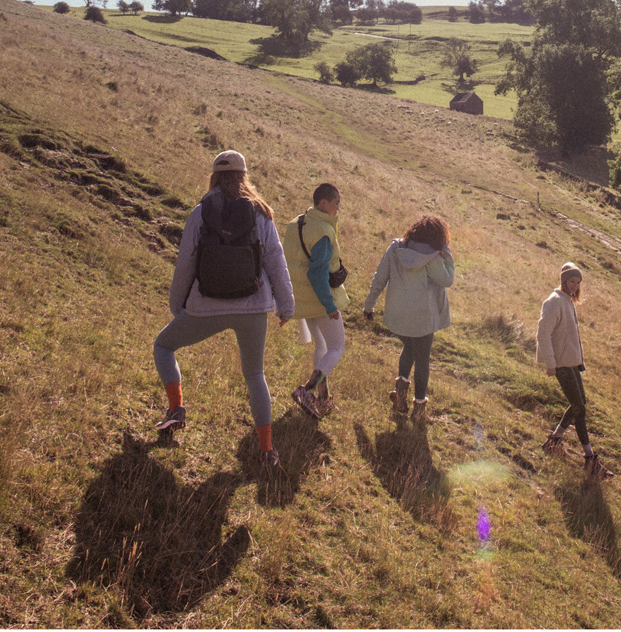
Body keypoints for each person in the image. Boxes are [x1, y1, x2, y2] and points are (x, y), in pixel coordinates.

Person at [152, 149, 295, 470]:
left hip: (206, 306)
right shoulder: (261, 214)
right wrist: (285, 307)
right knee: (255, 374)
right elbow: (276, 261)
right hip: (255, 306)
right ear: (245, 177)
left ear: (214, 177)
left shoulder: (201, 212)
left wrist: (179, 307)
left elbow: (186, 263)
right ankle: (267, 449)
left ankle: (176, 409)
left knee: (163, 346)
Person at [360, 213, 454, 421]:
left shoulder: (395, 249)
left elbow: (380, 277)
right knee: (422, 361)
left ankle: (400, 395)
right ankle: (419, 411)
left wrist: (369, 305)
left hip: (398, 315)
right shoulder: (433, 257)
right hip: (421, 318)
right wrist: (447, 255)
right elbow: (447, 280)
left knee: (409, 348)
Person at [281, 182, 351, 419]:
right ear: (324, 204)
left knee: (321, 346)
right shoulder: (323, 230)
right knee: (337, 347)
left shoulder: (295, 224)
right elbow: (317, 272)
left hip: (302, 298)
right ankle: (307, 390)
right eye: (336, 203)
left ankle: (322, 398)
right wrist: (329, 305)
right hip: (321, 299)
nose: (338, 208)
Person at [537, 261, 601, 474]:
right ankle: (589, 458)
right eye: (572, 281)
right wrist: (550, 364)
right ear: (564, 281)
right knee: (579, 407)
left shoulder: (568, 302)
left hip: (572, 362)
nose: (575, 286)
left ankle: (554, 441)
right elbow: (543, 333)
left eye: (578, 282)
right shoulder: (554, 302)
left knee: (580, 405)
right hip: (561, 364)